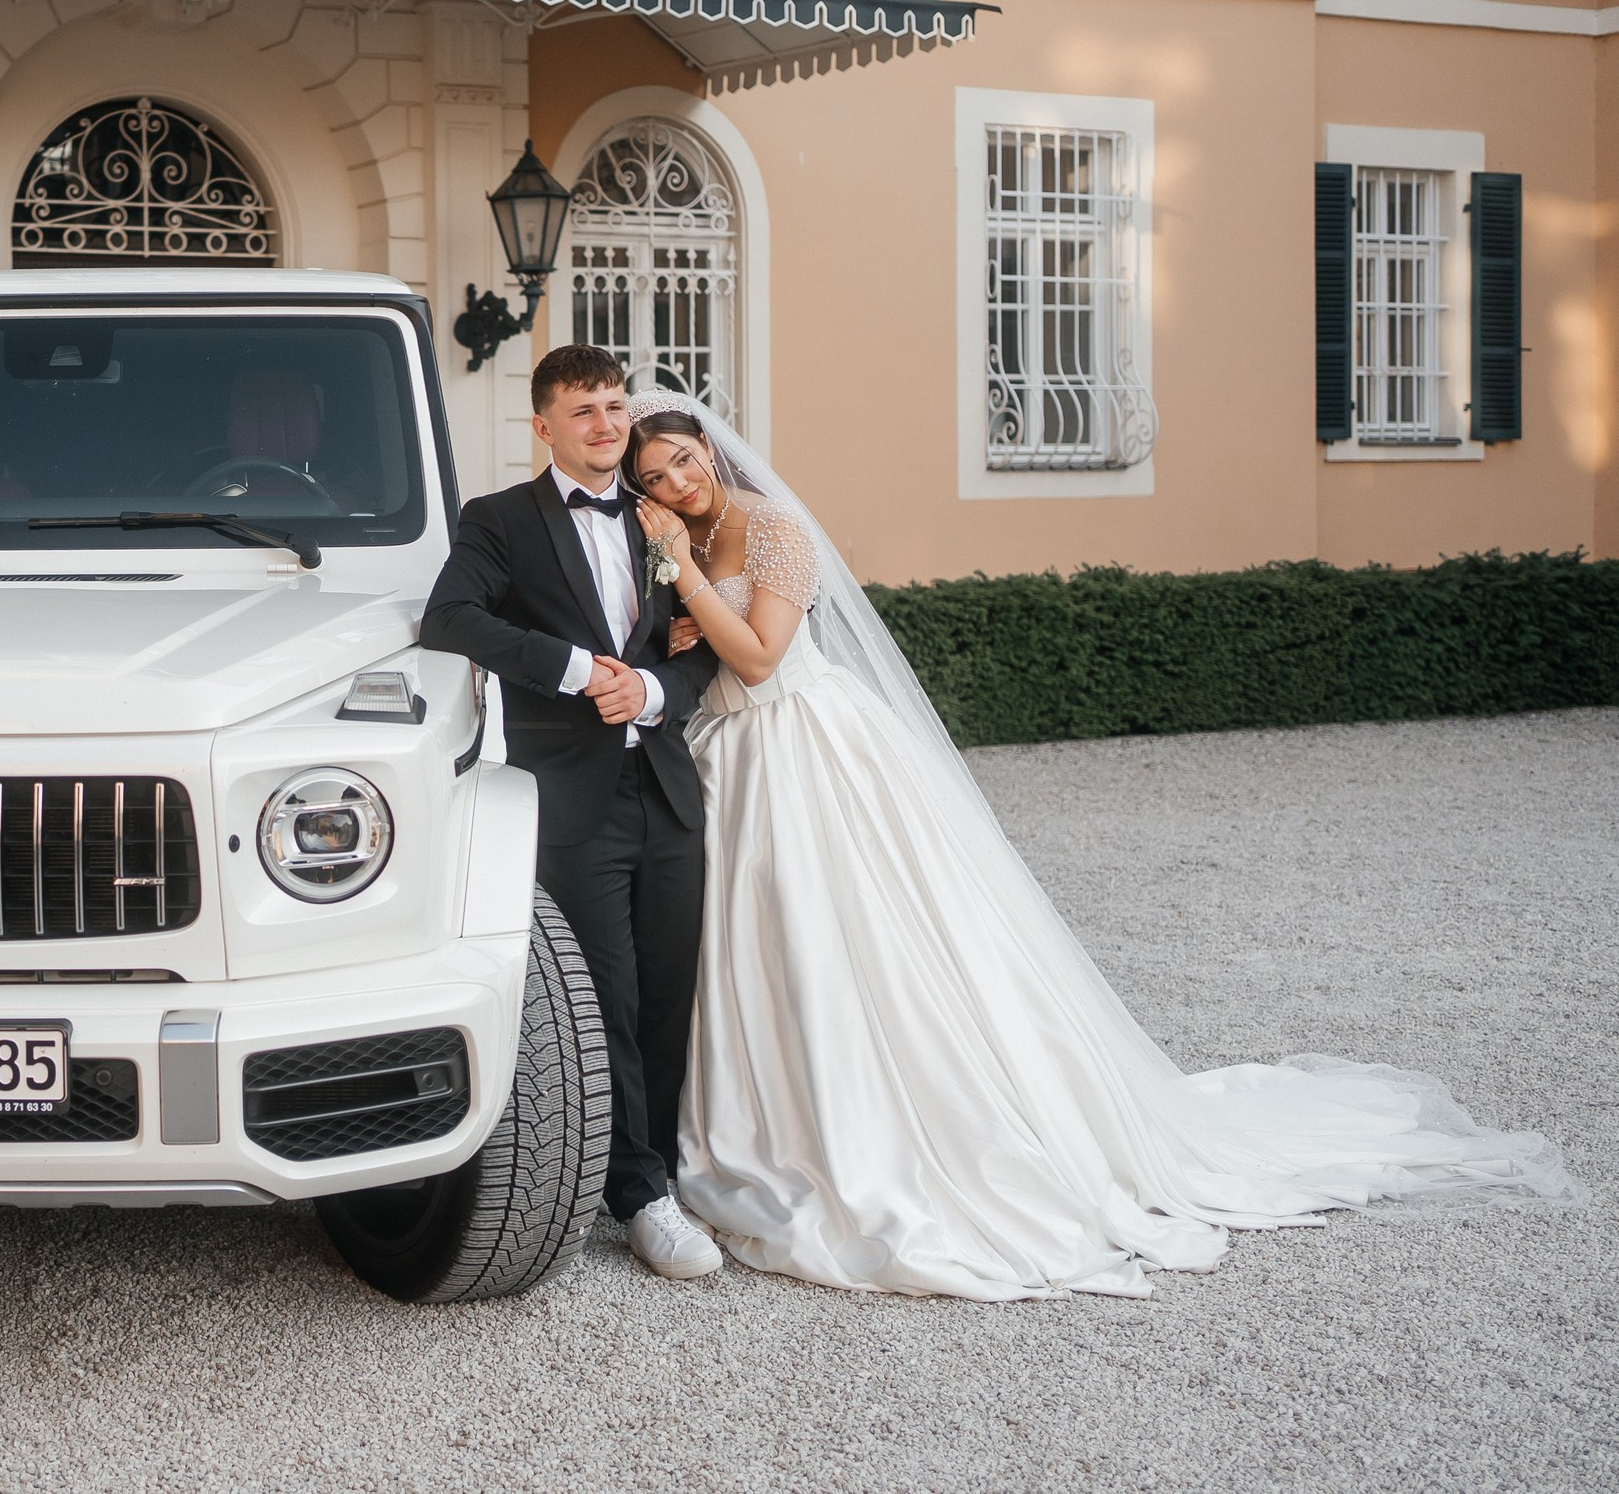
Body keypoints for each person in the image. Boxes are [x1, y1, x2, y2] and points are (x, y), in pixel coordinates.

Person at [624, 387, 1584, 1300]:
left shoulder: (774, 527)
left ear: (711, 447)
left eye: (684, 458)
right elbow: (701, 646)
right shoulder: (687, 533)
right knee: (760, 951)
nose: (680, 481)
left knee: (851, 939)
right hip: (728, 757)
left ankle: (898, 1136)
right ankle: (765, 1127)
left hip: (807, 747)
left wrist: (685, 573)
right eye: (658, 477)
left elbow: (758, 655)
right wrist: (680, 601)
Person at [419, 347, 726, 1279]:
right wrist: (577, 668)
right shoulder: (499, 520)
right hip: (571, 797)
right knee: (608, 995)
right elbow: (450, 618)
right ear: (543, 425)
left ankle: (657, 1173)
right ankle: (637, 1196)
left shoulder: (664, 522)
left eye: (616, 406)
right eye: (583, 410)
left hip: (668, 786)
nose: (606, 424)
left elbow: (702, 645)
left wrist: (655, 691)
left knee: (672, 992)